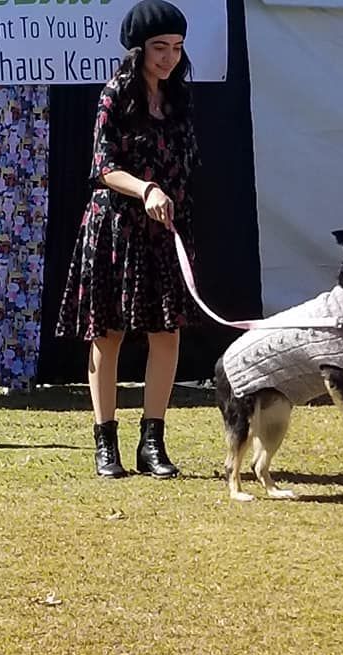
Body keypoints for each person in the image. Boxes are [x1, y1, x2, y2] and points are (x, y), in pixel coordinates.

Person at [56, 0, 199, 478]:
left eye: (177, 48)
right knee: (108, 333)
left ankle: (152, 443)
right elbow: (102, 168)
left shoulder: (180, 98)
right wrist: (146, 189)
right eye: (160, 48)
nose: (169, 58)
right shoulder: (115, 95)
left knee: (166, 333)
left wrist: (173, 205)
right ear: (138, 50)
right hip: (116, 226)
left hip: (163, 230)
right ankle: (105, 443)